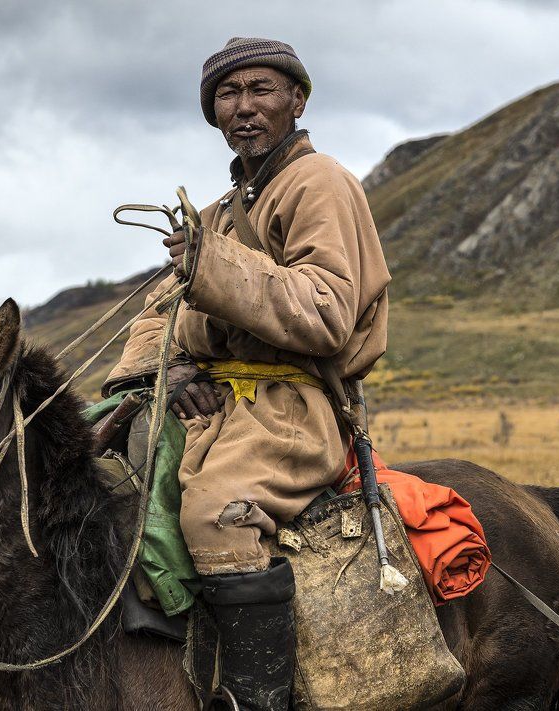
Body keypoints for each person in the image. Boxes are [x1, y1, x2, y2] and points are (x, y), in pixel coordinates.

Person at [103, 37, 391, 710]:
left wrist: (213, 270)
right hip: (215, 405)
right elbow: (151, 320)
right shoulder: (219, 212)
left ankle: (256, 696)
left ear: (297, 98)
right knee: (93, 472)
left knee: (215, 514)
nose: (243, 107)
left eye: (261, 89)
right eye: (227, 96)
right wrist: (169, 371)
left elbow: (325, 312)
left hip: (292, 406)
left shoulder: (321, 183)